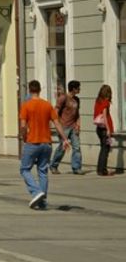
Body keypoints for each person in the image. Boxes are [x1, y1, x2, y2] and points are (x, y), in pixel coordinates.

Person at [19, 79, 66, 209]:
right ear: (39, 90)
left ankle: (36, 192)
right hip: (46, 143)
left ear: (29, 90)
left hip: (32, 142)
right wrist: (65, 139)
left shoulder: (26, 106)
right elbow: (57, 123)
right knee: (43, 171)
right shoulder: (47, 105)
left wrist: (23, 136)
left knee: (24, 169)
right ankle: (42, 202)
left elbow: (23, 125)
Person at [50, 80, 82, 174]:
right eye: (78, 88)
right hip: (63, 127)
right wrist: (57, 124)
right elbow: (55, 111)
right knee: (63, 147)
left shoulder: (77, 100)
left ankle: (76, 168)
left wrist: (78, 124)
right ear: (73, 89)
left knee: (77, 147)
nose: (80, 89)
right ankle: (53, 165)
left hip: (73, 127)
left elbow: (77, 113)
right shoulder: (63, 98)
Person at [93, 85, 116, 177]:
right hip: (104, 129)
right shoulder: (106, 102)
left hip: (99, 128)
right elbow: (105, 115)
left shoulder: (97, 101)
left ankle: (100, 169)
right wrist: (108, 129)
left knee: (103, 149)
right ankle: (103, 170)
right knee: (105, 150)